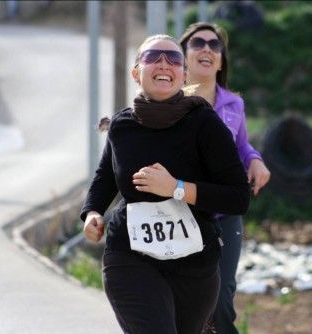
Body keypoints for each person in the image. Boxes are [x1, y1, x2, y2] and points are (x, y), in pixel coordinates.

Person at [80, 34, 250, 334]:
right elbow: (106, 175)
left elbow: (237, 197)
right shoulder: (122, 125)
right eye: (152, 56)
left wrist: (176, 188)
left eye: (173, 59)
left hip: (195, 264)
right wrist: (92, 211)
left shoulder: (204, 123)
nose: (163, 64)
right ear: (136, 72)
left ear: (183, 75)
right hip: (130, 255)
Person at [179, 22, 271, 334]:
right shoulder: (169, 102)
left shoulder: (234, 104)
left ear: (220, 60)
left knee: (221, 298)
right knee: (185, 299)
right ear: (184, 56)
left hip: (225, 214)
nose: (206, 48)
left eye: (214, 45)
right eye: (198, 43)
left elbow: (241, 145)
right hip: (180, 213)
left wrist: (255, 161)